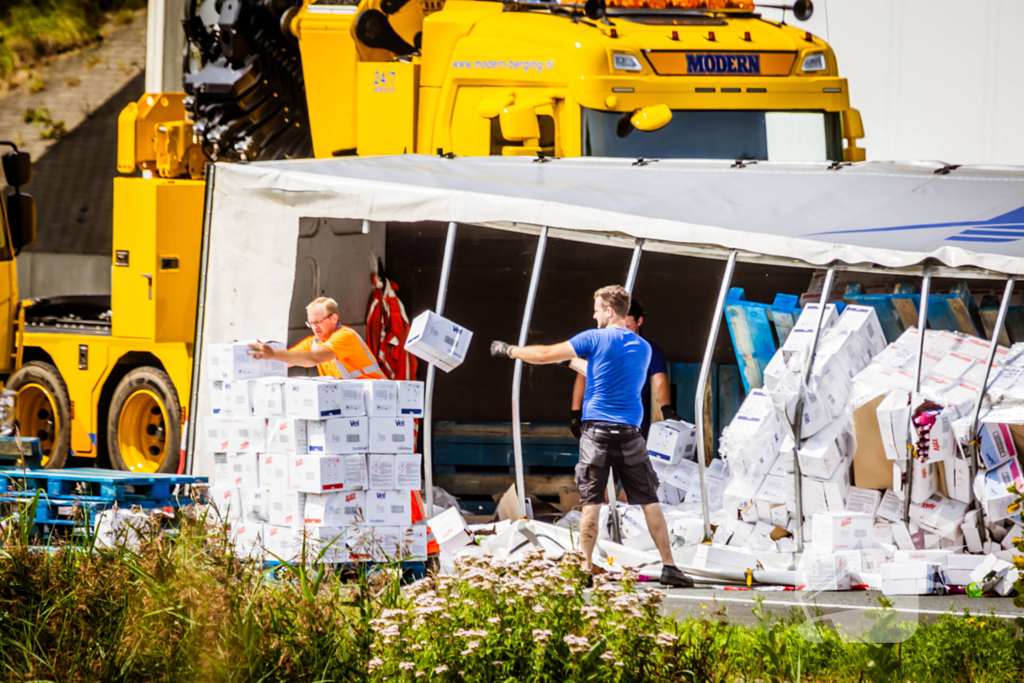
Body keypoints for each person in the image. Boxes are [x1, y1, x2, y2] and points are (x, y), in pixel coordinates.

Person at [490, 285, 694, 588]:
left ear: (609, 311)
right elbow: (605, 372)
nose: (593, 314)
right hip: (629, 434)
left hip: (597, 433)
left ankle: (585, 568)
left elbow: (545, 355)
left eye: (597, 308)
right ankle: (669, 566)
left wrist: (510, 351)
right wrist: (572, 362)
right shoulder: (643, 347)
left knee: (592, 502)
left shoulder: (594, 337)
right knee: (649, 500)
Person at [570, 298, 675, 440]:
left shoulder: (648, 349)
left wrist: (666, 408)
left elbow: (660, 380)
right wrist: (575, 412)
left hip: (633, 422)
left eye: (629, 326)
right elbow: (583, 375)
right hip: (598, 419)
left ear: (639, 321)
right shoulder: (602, 344)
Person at [248, 297, 385, 379]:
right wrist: (249, 355)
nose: (314, 327)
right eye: (311, 323)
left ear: (334, 318)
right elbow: (286, 360)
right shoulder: (314, 342)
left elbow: (314, 358)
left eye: (318, 322)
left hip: (376, 396)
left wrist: (272, 353)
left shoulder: (346, 336)